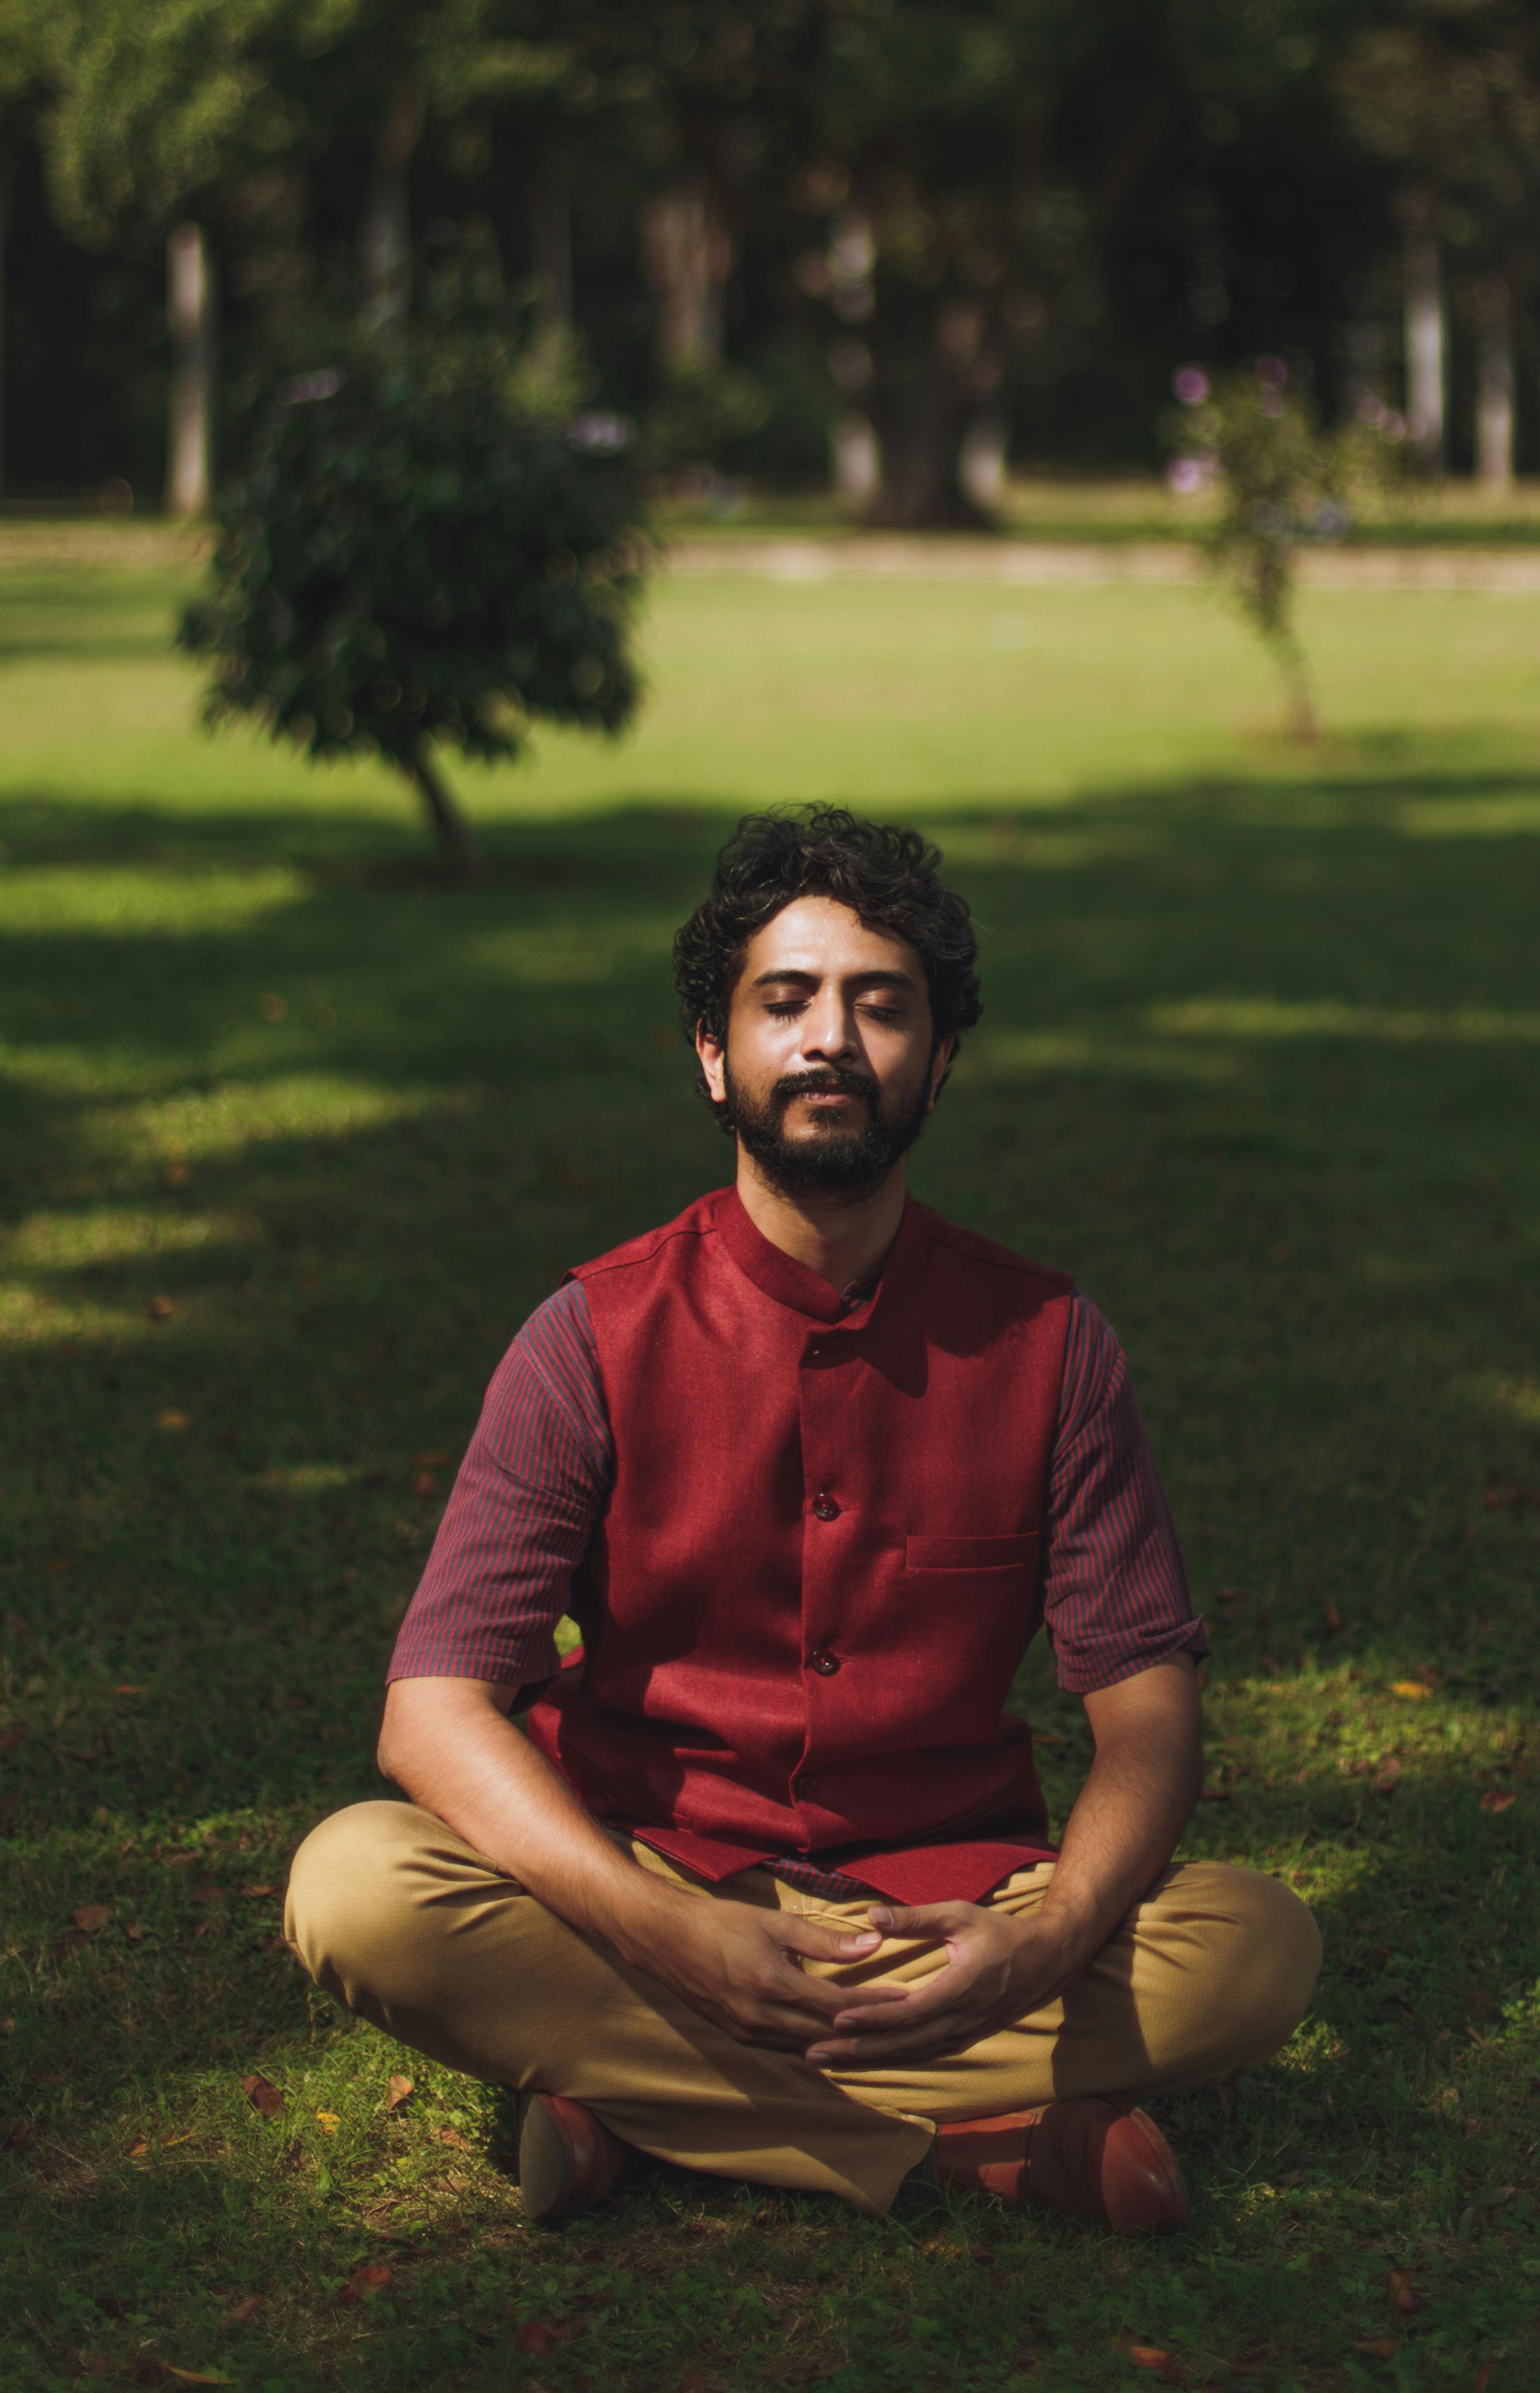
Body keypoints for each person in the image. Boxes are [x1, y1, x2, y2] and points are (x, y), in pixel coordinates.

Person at [285, 805, 1321, 2232]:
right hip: (651, 1886)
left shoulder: (1050, 1341)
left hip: (947, 1918)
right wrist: (675, 1935)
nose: (831, 1038)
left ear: (939, 1062)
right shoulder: (588, 1337)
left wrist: (1042, 1948)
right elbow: (431, 1713)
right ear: (716, 1056)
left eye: (880, 1007)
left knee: (1257, 1947)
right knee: (355, 1885)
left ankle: (632, 2107)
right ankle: (987, 2145)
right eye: (787, 1002)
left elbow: (1151, 1721)